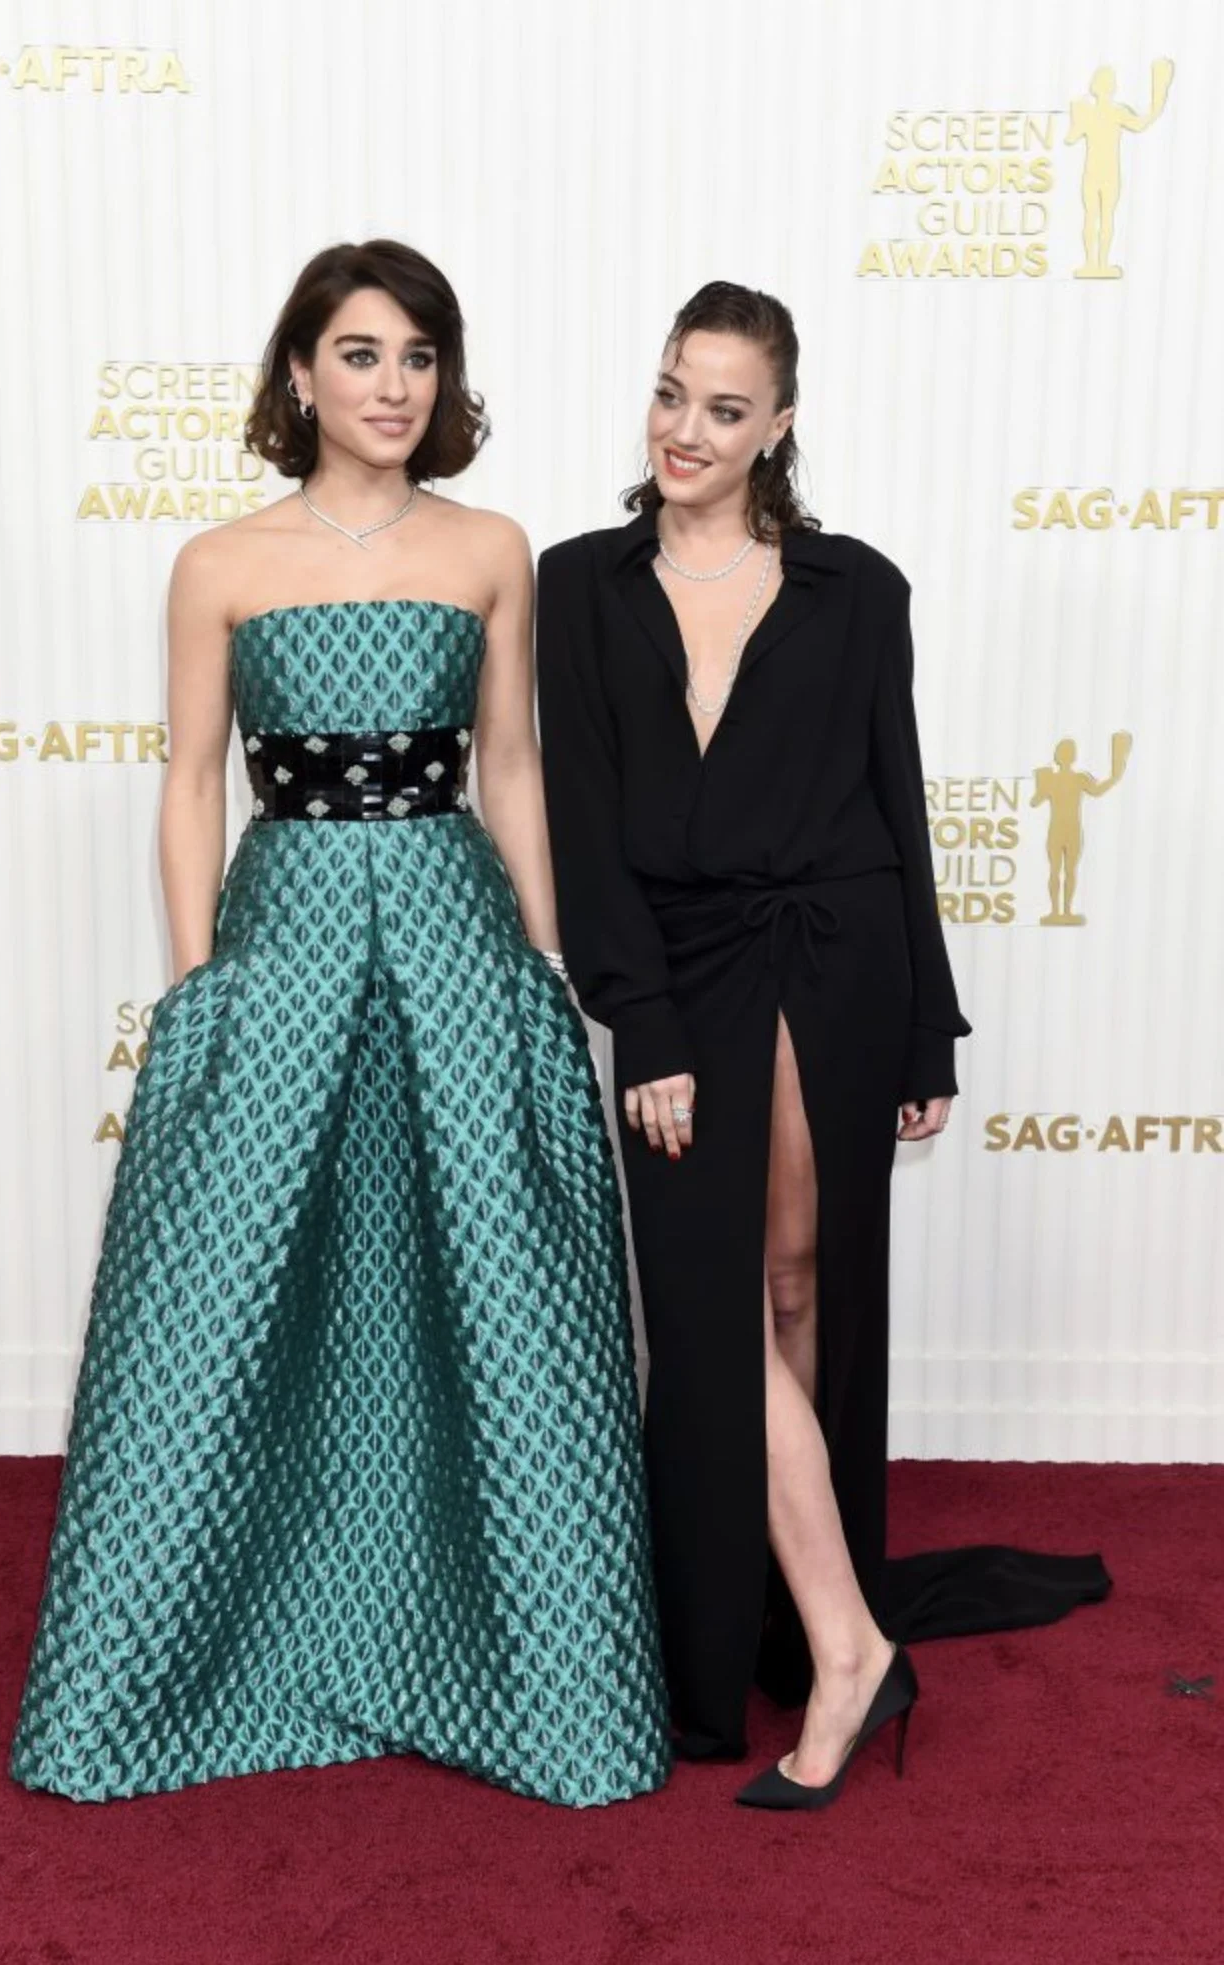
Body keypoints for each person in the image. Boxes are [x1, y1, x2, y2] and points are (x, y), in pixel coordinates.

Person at [11, 240, 669, 1810]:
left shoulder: (490, 547)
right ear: (299, 373)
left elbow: (509, 765)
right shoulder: (219, 564)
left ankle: (523, 1672)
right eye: (361, 354)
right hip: (285, 929)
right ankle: (199, 1666)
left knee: (493, 1285)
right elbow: (190, 781)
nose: (392, 386)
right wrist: (199, 988)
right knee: (230, 1284)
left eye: (418, 356)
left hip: (451, 927)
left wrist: (539, 961)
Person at [536, 280, 1108, 1812]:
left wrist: (926, 1023)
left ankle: (793, 1622)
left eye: (724, 407)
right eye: (670, 391)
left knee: (794, 1288)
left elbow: (892, 803)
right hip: (683, 974)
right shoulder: (577, 584)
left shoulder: (857, 589)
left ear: (777, 424)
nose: (684, 429)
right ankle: (847, 1642)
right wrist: (641, 1019)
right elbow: (583, 826)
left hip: (838, 964)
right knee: (706, 1308)